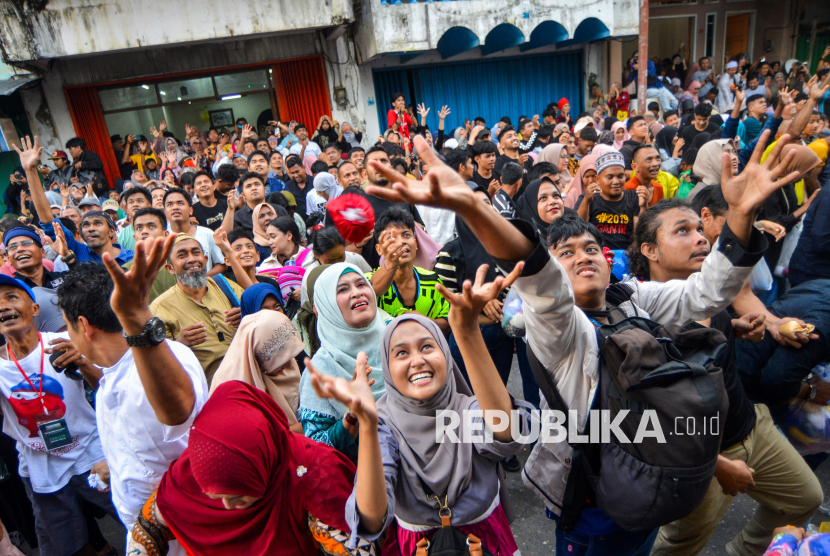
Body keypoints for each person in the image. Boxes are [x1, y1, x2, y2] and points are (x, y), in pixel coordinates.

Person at [363, 132, 790, 555]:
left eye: (591, 248)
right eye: (566, 253)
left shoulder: (630, 298)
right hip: (593, 506)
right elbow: (539, 278)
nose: (583, 256)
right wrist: (475, 209)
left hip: (650, 480)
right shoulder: (559, 330)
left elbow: (708, 292)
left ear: (608, 260)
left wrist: (739, 215)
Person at [626, 201, 822, 556]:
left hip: (750, 426)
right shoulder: (642, 326)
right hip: (699, 456)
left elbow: (727, 306)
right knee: (680, 545)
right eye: (682, 231)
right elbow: (649, 420)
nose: (699, 238)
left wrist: (734, 326)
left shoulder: (708, 294)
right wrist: (716, 466)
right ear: (650, 250)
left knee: (805, 499)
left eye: (698, 229)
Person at [312, 291, 527, 556]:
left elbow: (507, 434)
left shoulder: (466, 408)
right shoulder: (383, 423)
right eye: (401, 353)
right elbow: (371, 519)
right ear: (388, 369)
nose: (417, 360)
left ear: (446, 355)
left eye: (427, 346)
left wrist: (468, 332)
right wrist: (367, 425)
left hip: (488, 543)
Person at [56, 249, 209, 549]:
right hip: (143, 534)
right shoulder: (110, 374)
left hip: (185, 537)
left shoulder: (170, 359)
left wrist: (138, 320)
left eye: (66, 325)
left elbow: (178, 412)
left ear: (84, 326)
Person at [126, 381, 369, 556]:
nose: (228, 506)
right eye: (216, 497)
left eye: (238, 495)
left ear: (263, 464)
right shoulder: (196, 469)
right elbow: (148, 525)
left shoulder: (314, 472)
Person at [0, 274, 118, 556]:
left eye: (11, 297)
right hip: (43, 467)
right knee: (68, 547)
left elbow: (113, 389)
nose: (3, 306)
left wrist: (84, 362)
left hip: (93, 453)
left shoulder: (66, 341)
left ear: (34, 309)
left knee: (140, 518)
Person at [298, 263, 391, 460]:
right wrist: (352, 415)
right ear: (325, 306)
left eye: (361, 284)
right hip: (367, 481)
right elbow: (315, 450)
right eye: (343, 289)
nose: (356, 293)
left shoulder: (400, 339)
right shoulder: (321, 370)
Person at [150, 234, 243, 382]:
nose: (192, 259)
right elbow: (156, 364)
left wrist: (246, 317)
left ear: (205, 260)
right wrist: (179, 344)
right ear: (170, 268)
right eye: (182, 255)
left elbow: (260, 318)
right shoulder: (159, 308)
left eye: (196, 252)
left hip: (247, 379)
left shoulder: (225, 286)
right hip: (205, 393)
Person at [210, 309, 304, 435]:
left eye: (289, 357)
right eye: (280, 359)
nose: (288, 365)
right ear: (257, 353)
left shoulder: (285, 367)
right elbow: (248, 436)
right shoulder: (230, 389)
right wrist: (302, 429)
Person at [368, 208, 450, 335]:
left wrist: (421, 321)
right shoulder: (365, 282)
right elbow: (372, 293)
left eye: (406, 235)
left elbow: (447, 325)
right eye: (391, 237)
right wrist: (391, 264)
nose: (401, 242)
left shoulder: (432, 280)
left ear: (416, 244)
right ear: (379, 249)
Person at [576, 152, 648, 249]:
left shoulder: (633, 197)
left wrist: (644, 206)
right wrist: (586, 201)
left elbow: (639, 235)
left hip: (626, 255)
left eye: (620, 176)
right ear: (597, 179)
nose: (616, 181)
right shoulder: (589, 197)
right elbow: (579, 229)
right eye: (609, 177)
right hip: (597, 254)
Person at [163, 188, 225, 275]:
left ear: (191, 210)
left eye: (180, 203)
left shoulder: (207, 234)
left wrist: (202, 279)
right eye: (170, 205)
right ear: (165, 212)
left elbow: (222, 264)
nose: (175, 207)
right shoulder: (162, 239)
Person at [124, 207, 176, 302]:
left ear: (166, 234)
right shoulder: (126, 271)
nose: (144, 231)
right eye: (139, 228)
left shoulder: (179, 265)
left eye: (151, 226)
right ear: (135, 237)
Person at [117, 187, 151, 251]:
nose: (135, 204)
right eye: (131, 202)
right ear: (126, 208)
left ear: (150, 205)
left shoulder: (160, 227)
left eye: (140, 201)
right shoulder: (121, 237)